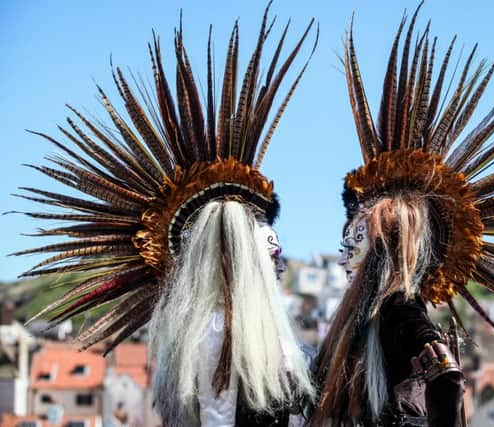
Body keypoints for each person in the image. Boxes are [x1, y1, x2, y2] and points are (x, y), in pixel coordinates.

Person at [14, 5, 317, 426]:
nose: (277, 264)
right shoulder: (218, 334)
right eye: (268, 258)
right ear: (235, 257)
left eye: (276, 258)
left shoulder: (262, 335)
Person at [310, 4, 494, 426]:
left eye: (354, 242)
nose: (343, 256)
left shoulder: (401, 312)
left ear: (386, 247)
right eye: (345, 242)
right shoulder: (372, 316)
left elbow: (448, 378)